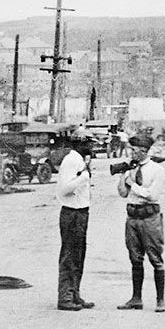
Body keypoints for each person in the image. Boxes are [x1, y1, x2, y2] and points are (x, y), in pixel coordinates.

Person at [116, 131, 165, 312]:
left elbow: (152, 195)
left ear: (144, 151)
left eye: (135, 150)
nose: (132, 153)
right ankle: (136, 298)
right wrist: (124, 176)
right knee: (135, 259)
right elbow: (122, 193)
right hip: (133, 218)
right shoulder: (131, 168)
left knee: (155, 259)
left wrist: (133, 184)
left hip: (150, 218)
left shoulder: (157, 170)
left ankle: (160, 300)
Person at [55, 132, 95, 311]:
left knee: (79, 255)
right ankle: (65, 296)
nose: (91, 147)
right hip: (72, 213)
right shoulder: (71, 161)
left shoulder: (79, 160)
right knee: (70, 255)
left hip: (80, 212)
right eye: (88, 143)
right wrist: (83, 177)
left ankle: (74, 293)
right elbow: (64, 189)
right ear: (79, 144)